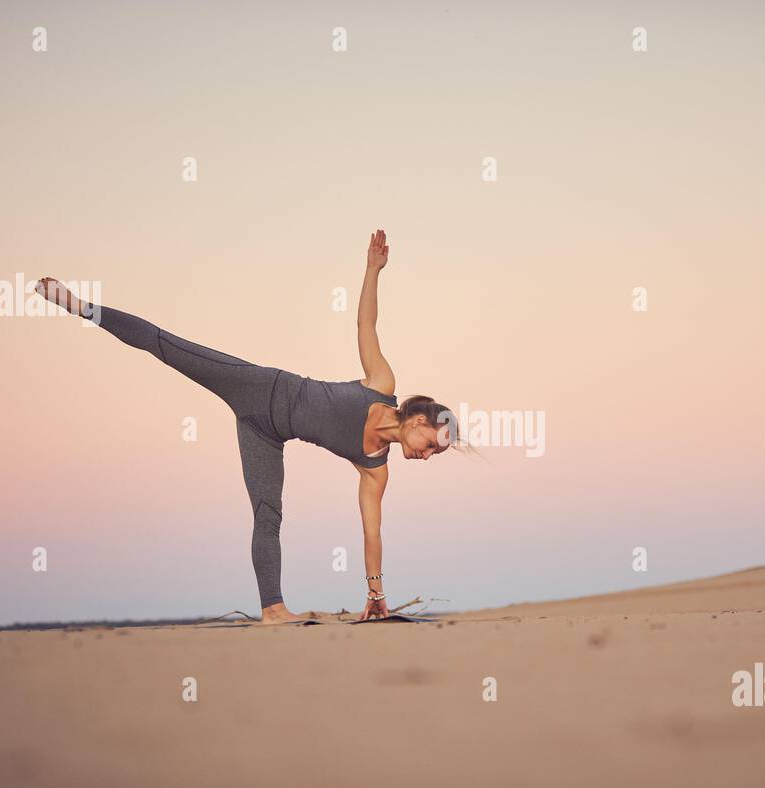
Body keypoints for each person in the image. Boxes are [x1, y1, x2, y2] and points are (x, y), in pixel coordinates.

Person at [35, 229, 459, 624]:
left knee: (267, 514)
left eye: (434, 453)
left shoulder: (374, 468)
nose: (427, 455)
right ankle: (79, 306)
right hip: (260, 387)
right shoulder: (381, 384)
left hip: (264, 435)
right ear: (419, 420)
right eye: (431, 444)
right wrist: (372, 270)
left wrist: (375, 593)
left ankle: (273, 609)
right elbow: (366, 325)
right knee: (166, 345)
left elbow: (372, 533)